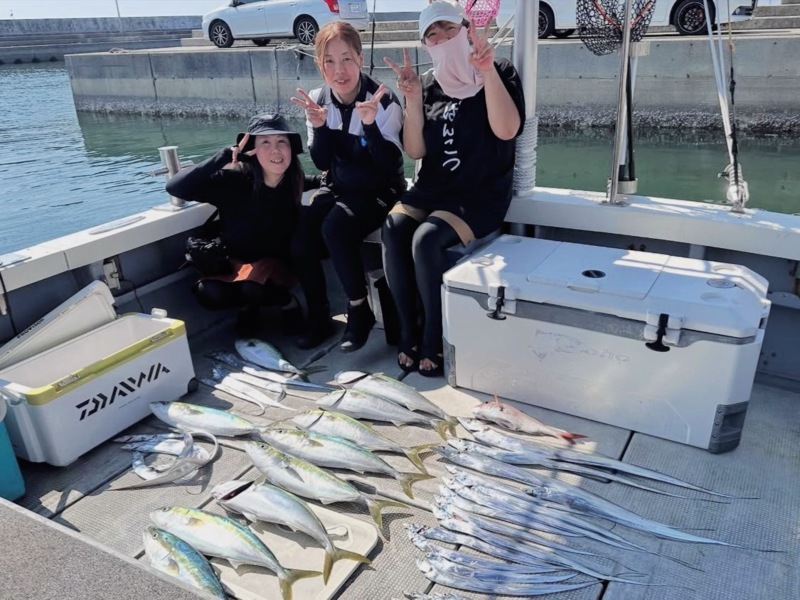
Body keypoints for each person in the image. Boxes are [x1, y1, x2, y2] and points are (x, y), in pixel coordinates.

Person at [382, 0, 525, 376]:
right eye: (432, 34)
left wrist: (487, 72)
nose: (441, 38)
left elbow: (507, 130)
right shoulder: (428, 85)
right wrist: (412, 99)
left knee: (426, 239)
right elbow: (415, 150)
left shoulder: (499, 69)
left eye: (448, 28)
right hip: (432, 190)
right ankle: (407, 331)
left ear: (465, 29)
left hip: (479, 195)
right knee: (394, 228)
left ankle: (433, 336)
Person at [289, 21, 406, 352]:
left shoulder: (383, 100)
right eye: (329, 61)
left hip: (380, 190)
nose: (338, 70)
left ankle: (359, 310)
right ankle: (320, 319)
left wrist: (369, 126)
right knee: (300, 239)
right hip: (341, 187)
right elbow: (323, 162)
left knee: (335, 227)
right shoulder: (316, 100)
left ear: (359, 58)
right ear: (319, 64)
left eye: (346, 59)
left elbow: (388, 165)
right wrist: (320, 126)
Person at [165, 114, 319, 334]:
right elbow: (176, 187)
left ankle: (287, 303)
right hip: (236, 262)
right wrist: (224, 156)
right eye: (265, 142)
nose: (275, 150)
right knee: (209, 292)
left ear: (291, 149)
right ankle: (247, 307)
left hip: (278, 267)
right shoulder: (232, 182)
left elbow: (325, 181)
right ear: (251, 150)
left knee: (252, 288)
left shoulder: (295, 181)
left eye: (281, 142)